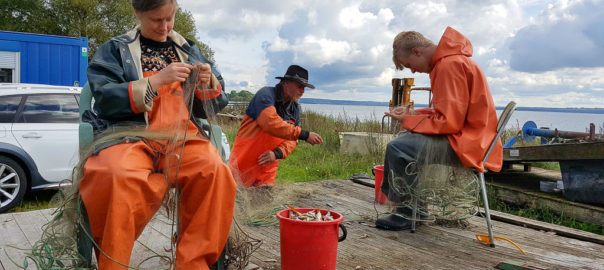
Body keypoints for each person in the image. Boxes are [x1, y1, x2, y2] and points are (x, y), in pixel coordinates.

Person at [79, 0, 236, 269]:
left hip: (183, 138)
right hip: (130, 136)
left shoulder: (189, 49)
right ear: (138, 14)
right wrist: (156, 81)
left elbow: (213, 105)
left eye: (169, 18)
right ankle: (113, 264)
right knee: (115, 174)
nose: (164, 27)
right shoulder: (115, 49)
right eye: (156, 20)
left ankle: (193, 264)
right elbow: (103, 98)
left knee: (215, 172)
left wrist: (208, 81)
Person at [376, 27, 503, 230]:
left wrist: (408, 121)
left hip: (468, 144)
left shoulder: (448, 66)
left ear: (417, 51)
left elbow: (449, 123)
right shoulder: (452, 61)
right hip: (475, 138)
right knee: (405, 143)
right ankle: (417, 209)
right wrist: (413, 115)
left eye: (410, 65)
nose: (413, 71)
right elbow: (449, 114)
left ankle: (407, 212)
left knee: (397, 147)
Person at [229, 65, 323, 187]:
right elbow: (270, 123)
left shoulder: (295, 109)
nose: (303, 91)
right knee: (235, 203)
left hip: (266, 172)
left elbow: (292, 141)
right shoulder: (265, 95)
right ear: (286, 83)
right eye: (300, 86)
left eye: (304, 88)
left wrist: (276, 153)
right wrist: (304, 134)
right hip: (242, 166)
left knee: (263, 205)